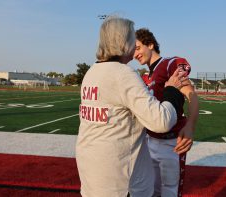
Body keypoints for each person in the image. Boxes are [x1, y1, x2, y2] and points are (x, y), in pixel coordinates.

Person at [76, 17, 192, 197]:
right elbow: (161, 121)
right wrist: (171, 90)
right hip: (119, 178)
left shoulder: (91, 72)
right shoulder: (123, 73)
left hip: (91, 170)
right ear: (123, 41)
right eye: (132, 38)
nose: (134, 45)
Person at [134, 28, 199, 197]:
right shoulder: (145, 77)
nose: (135, 54)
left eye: (138, 48)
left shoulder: (170, 64)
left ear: (150, 44)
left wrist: (190, 126)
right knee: (152, 191)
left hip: (171, 143)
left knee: (170, 190)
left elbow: (191, 95)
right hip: (150, 141)